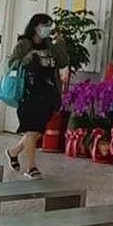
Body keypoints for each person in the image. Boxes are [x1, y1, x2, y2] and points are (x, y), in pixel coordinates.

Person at [5, 13, 67, 179]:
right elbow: (11, 64)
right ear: (35, 26)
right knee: (32, 131)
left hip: (48, 93)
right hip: (29, 93)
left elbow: (63, 62)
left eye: (49, 26)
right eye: (44, 25)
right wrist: (27, 59)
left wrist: (60, 44)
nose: (47, 29)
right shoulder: (24, 44)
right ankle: (31, 167)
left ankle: (13, 152)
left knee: (37, 132)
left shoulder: (49, 45)